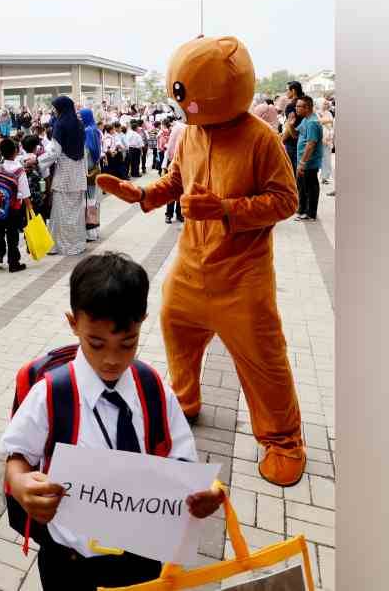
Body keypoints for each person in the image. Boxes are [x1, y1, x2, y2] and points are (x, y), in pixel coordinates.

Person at [98, 35, 306, 487]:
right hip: (191, 265)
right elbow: (177, 179)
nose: (182, 104)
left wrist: (227, 209)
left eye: (187, 95)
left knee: (263, 358)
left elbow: (286, 200)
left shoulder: (260, 138)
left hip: (242, 275)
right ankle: (184, 400)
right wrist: (144, 194)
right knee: (175, 325)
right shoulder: (190, 133)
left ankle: (283, 439)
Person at [0, 252, 224, 591]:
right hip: (68, 560)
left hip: (141, 554)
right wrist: (19, 484)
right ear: (73, 323)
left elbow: (182, 461)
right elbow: (17, 456)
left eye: (127, 344)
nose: (111, 359)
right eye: (96, 343)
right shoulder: (52, 393)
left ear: (142, 322)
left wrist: (200, 496)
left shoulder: (153, 388)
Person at [46, 96, 88, 256]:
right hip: (78, 173)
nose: (54, 111)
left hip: (64, 173)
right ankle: (77, 244)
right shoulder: (79, 124)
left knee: (60, 212)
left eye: (55, 108)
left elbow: (55, 152)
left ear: (61, 108)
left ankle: (59, 246)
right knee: (76, 212)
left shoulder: (60, 124)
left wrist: (38, 161)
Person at [0, 138, 30, 272]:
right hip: (14, 208)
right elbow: (25, 193)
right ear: (16, 152)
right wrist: (29, 207)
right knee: (12, 234)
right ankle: (13, 263)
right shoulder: (19, 170)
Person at [293, 96, 323, 222]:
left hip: (309, 162)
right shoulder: (306, 120)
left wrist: (302, 162)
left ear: (307, 107)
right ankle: (303, 209)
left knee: (310, 186)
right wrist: (290, 124)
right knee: (302, 186)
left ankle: (310, 213)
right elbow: (295, 134)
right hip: (304, 161)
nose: (296, 108)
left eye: (299, 106)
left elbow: (311, 144)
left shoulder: (312, 123)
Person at [80, 109, 104, 241]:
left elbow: (86, 151)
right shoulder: (95, 129)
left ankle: (91, 232)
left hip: (88, 170)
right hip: (95, 168)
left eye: (80, 116)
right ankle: (95, 229)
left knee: (89, 202)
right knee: (94, 200)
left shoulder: (87, 131)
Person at [281, 81, 305, 164]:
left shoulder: (291, 106)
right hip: (305, 141)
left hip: (292, 144)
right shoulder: (306, 103)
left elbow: (290, 127)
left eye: (287, 90)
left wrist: (281, 140)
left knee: (293, 172)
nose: (286, 92)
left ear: (293, 91)